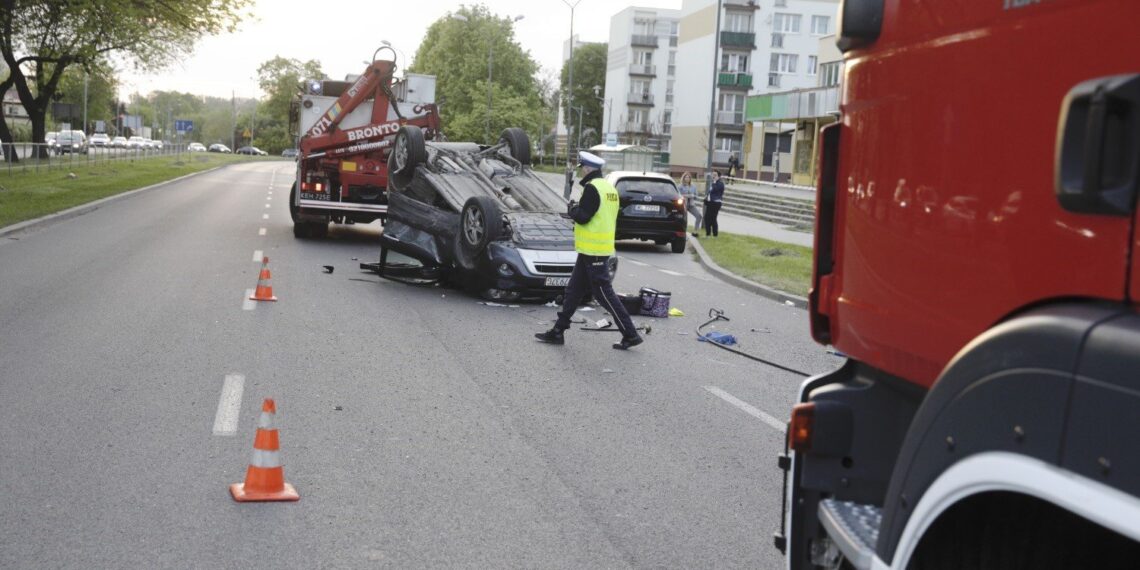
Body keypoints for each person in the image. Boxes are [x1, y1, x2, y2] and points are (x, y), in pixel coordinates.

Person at [535, 151, 644, 350]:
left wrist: (572, 210)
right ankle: (558, 331)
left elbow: (584, 217)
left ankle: (630, 334)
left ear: (587, 168)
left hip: (594, 251)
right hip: (593, 249)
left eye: (581, 169)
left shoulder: (593, 188)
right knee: (573, 291)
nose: (581, 173)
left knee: (603, 294)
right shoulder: (608, 188)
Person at [678, 171, 702, 238]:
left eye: (688, 177)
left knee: (699, 216)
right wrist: (686, 195)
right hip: (683, 205)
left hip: (691, 204)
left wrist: (693, 196)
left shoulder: (693, 186)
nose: (687, 178)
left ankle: (695, 232)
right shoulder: (680, 186)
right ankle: (683, 235)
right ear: (683, 178)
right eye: (686, 177)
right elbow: (678, 195)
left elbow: (696, 196)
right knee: (684, 220)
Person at [704, 170, 724, 237]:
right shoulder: (713, 183)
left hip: (716, 203)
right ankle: (708, 234)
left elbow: (716, 189)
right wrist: (706, 198)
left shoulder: (720, 184)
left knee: (713, 218)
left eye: (715, 175)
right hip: (710, 203)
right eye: (713, 175)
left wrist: (714, 182)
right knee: (707, 218)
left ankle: (715, 234)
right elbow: (710, 192)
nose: (713, 176)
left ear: (718, 176)